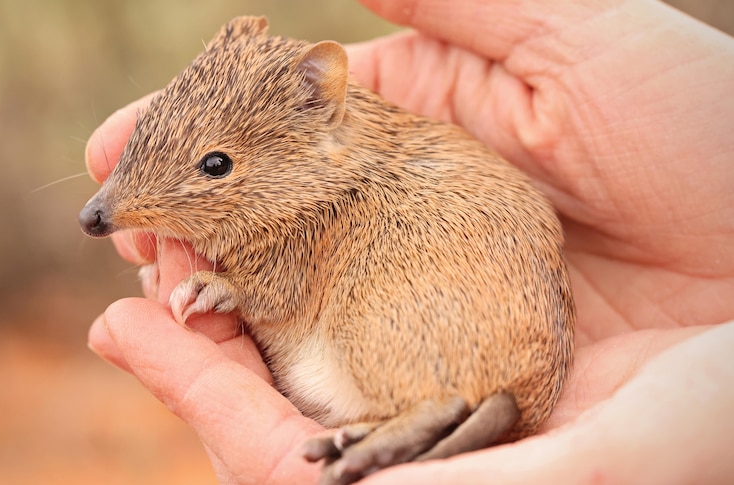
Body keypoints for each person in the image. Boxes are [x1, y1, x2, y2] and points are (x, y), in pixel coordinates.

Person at [83, 0, 734, 483]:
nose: (111, 211)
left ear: (320, 112)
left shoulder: (331, 207)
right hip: (490, 350)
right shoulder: (306, 200)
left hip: (463, 341)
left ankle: (429, 409)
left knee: (369, 312)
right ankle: (426, 414)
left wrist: (234, 286)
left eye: (215, 167)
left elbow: (280, 295)